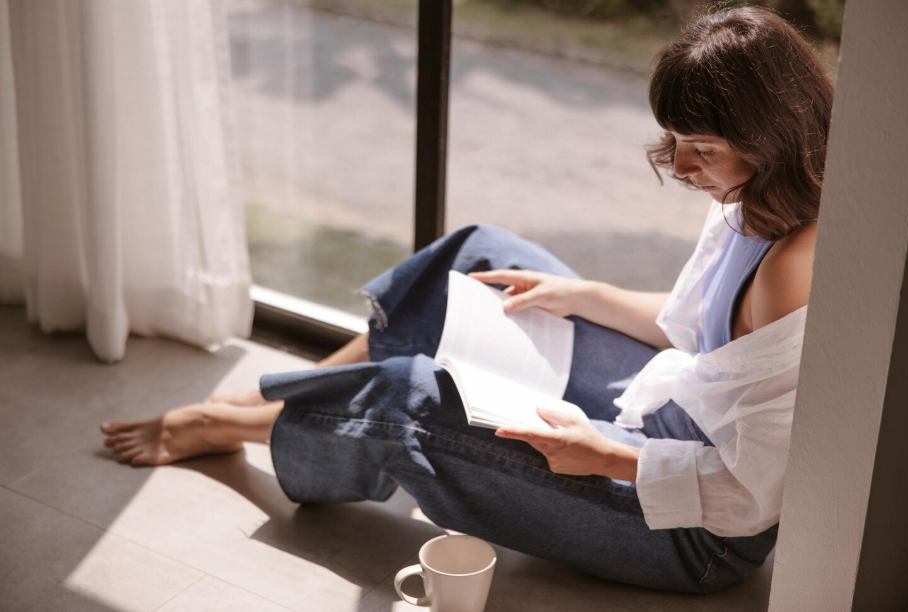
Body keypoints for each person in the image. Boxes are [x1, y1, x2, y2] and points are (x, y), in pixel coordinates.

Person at [99, 4, 832, 594]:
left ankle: (236, 422)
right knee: (480, 257)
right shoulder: (753, 195)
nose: (679, 166)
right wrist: (581, 294)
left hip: (688, 525)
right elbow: (697, 334)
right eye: (674, 140)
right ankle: (311, 397)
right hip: (664, 407)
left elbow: (750, 495)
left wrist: (606, 458)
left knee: (411, 400)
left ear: (766, 132)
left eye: (699, 146)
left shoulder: (802, 264)